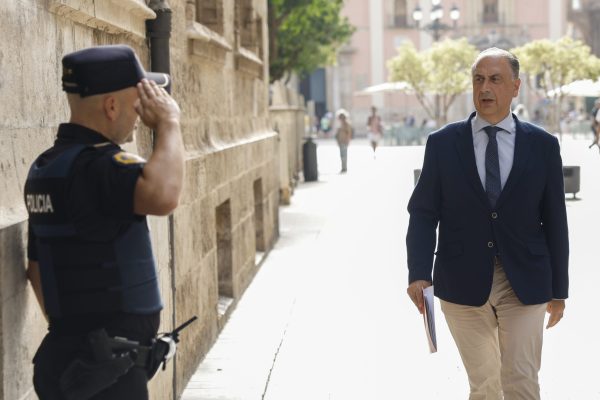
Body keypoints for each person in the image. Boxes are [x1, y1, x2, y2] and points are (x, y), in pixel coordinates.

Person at [406, 48, 569, 399]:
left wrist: (559, 290)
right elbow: (423, 212)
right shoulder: (442, 144)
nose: (485, 88)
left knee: (521, 379)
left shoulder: (543, 146)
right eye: (478, 79)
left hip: (525, 279)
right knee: (485, 385)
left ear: (515, 86)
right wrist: (418, 273)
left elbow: (555, 219)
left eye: (495, 79)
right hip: (461, 281)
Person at [24, 45, 184, 400]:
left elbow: (37, 270)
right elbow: (164, 195)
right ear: (112, 106)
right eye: (138, 102)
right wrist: (170, 123)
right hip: (105, 373)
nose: (141, 113)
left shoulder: (48, 167)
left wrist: (78, 332)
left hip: (69, 360)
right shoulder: (103, 166)